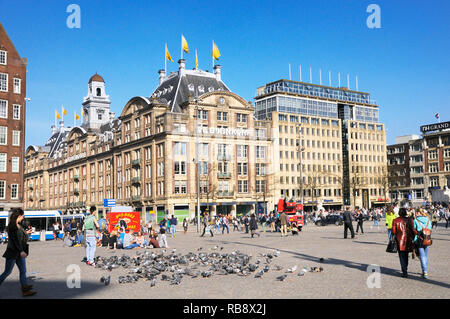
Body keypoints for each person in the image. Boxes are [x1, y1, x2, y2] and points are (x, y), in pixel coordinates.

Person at [0, 208, 36, 297]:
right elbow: (15, 240)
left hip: (20, 252)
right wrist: (21, 251)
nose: (23, 218)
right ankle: (25, 288)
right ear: (19, 216)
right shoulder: (12, 226)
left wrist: (28, 233)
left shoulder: (19, 226)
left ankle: (25, 289)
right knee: (7, 272)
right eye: (23, 216)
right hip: (13, 252)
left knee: (23, 271)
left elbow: (22, 239)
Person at [392, 208, 416, 278]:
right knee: (406, 255)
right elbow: (413, 229)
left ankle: (404, 271)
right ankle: (405, 269)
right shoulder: (409, 220)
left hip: (399, 240)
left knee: (401, 256)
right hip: (408, 239)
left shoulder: (395, 220)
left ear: (399, 213)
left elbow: (394, 231)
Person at [413, 211, 432, 279]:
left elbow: (414, 230)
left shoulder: (415, 220)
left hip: (419, 240)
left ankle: (425, 271)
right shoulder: (428, 220)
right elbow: (430, 228)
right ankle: (424, 271)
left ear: (420, 214)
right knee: (425, 256)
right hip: (427, 239)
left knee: (422, 256)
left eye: (416, 213)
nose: (415, 214)